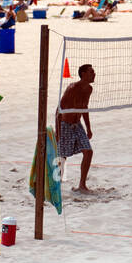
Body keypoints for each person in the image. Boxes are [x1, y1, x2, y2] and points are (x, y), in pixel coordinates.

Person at [55, 64, 95, 193]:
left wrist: (89, 128)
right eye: (91, 72)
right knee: (62, 156)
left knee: (88, 152)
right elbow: (58, 111)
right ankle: (55, 183)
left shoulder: (89, 89)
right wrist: (58, 133)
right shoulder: (72, 88)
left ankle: (82, 185)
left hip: (77, 124)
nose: (94, 74)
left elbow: (84, 108)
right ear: (83, 74)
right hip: (65, 124)